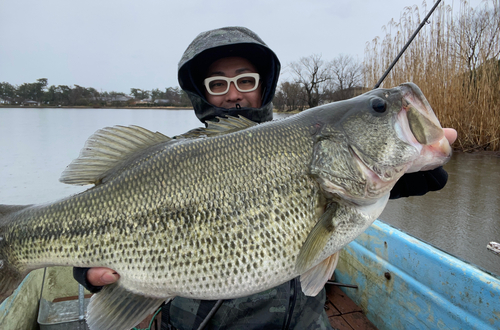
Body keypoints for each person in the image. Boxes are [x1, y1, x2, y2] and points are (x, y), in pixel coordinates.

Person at [74, 26, 458, 329]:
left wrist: (398, 175)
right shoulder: (166, 160)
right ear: (201, 94)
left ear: (264, 85)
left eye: (245, 80)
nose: (233, 94)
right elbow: (96, 211)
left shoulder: (303, 142)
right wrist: (83, 266)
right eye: (217, 84)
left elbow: (341, 193)